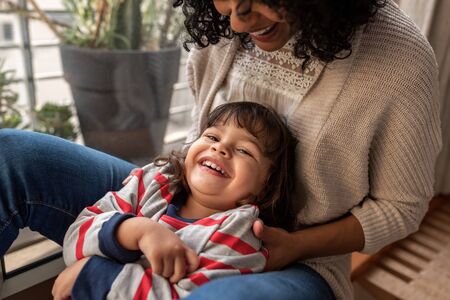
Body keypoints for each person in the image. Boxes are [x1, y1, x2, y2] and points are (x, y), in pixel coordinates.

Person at [0, 0, 442, 299]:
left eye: (252, 0)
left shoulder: (398, 61)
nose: (235, 23)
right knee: (11, 156)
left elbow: (401, 207)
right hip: (173, 202)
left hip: (290, 256)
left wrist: (97, 277)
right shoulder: (149, 186)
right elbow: (201, 140)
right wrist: (137, 229)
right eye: (224, 3)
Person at [51, 102, 298, 300]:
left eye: (245, 150)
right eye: (212, 136)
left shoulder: (239, 234)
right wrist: (136, 230)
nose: (221, 148)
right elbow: (75, 239)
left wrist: (95, 274)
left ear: (265, 188)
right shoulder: (153, 182)